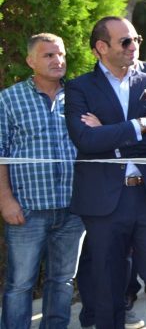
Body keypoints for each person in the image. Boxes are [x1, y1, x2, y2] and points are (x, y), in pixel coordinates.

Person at [64, 16, 146, 328]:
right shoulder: (79, 88)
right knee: (107, 287)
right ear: (101, 47)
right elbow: (85, 139)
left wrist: (112, 138)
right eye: (126, 41)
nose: (135, 46)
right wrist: (139, 126)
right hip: (104, 204)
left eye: (137, 39)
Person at [0, 33, 83, 329]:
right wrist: (6, 200)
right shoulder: (9, 99)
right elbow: (0, 154)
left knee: (62, 281)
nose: (57, 60)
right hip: (27, 209)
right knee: (20, 284)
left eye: (60, 54)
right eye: (48, 55)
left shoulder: (78, 96)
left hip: (73, 209)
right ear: (30, 61)